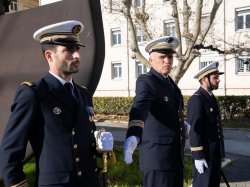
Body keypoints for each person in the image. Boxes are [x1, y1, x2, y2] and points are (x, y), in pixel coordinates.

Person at [0, 20, 113, 187]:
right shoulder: (34, 93)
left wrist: (99, 148)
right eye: (68, 50)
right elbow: (10, 152)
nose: (77, 55)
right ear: (49, 56)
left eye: (77, 49)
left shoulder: (83, 94)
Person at [123, 36, 187, 187]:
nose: (167, 61)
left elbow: (167, 111)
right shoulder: (147, 81)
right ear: (151, 60)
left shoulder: (170, 83)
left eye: (170, 57)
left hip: (174, 158)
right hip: (157, 159)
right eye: (162, 57)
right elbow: (140, 106)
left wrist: (182, 124)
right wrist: (134, 133)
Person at [187, 61, 225, 187]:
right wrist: (198, 156)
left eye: (218, 77)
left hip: (214, 154)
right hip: (204, 156)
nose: (218, 80)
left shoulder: (211, 98)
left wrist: (220, 153)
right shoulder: (197, 99)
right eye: (215, 78)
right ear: (204, 80)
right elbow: (194, 130)